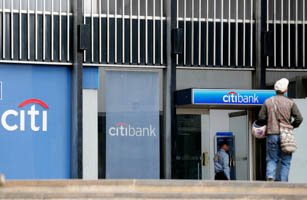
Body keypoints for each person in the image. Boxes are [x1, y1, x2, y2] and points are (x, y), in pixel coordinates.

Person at [258, 78, 303, 182]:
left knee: (272, 158)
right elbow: (299, 118)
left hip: (271, 134)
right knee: (285, 161)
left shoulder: (268, 102)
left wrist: (268, 123)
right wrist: (291, 126)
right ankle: (283, 183)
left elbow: (261, 117)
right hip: (286, 135)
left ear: (275, 89)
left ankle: (270, 176)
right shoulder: (290, 102)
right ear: (286, 89)